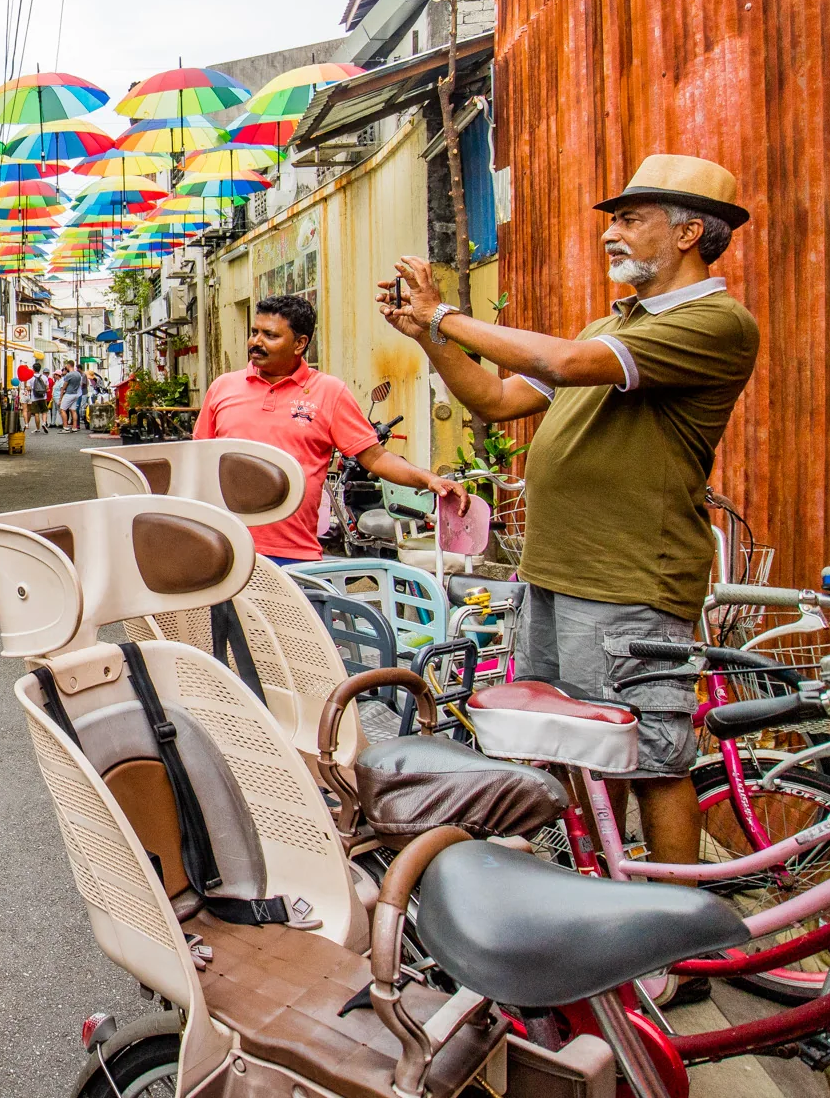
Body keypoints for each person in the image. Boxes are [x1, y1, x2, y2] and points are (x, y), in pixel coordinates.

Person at [377, 153, 758, 906]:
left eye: (629, 219)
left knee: (651, 757)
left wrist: (446, 314)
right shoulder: (616, 323)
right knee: (573, 751)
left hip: (630, 579)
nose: (611, 233)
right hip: (557, 573)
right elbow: (495, 397)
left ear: (688, 232)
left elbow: (563, 359)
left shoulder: (714, 321)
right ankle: (597, 907)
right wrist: (431, 338)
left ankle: (676, 944)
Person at [195, 294, 466, 565]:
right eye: (254, 332)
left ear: (300, 343)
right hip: (226, 549)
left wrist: (429, 479)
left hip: (292, 554)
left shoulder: (329, 392)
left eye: (270, 335)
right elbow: (197, 460)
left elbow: (375, 457)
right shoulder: (223, 387)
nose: (256, 342)